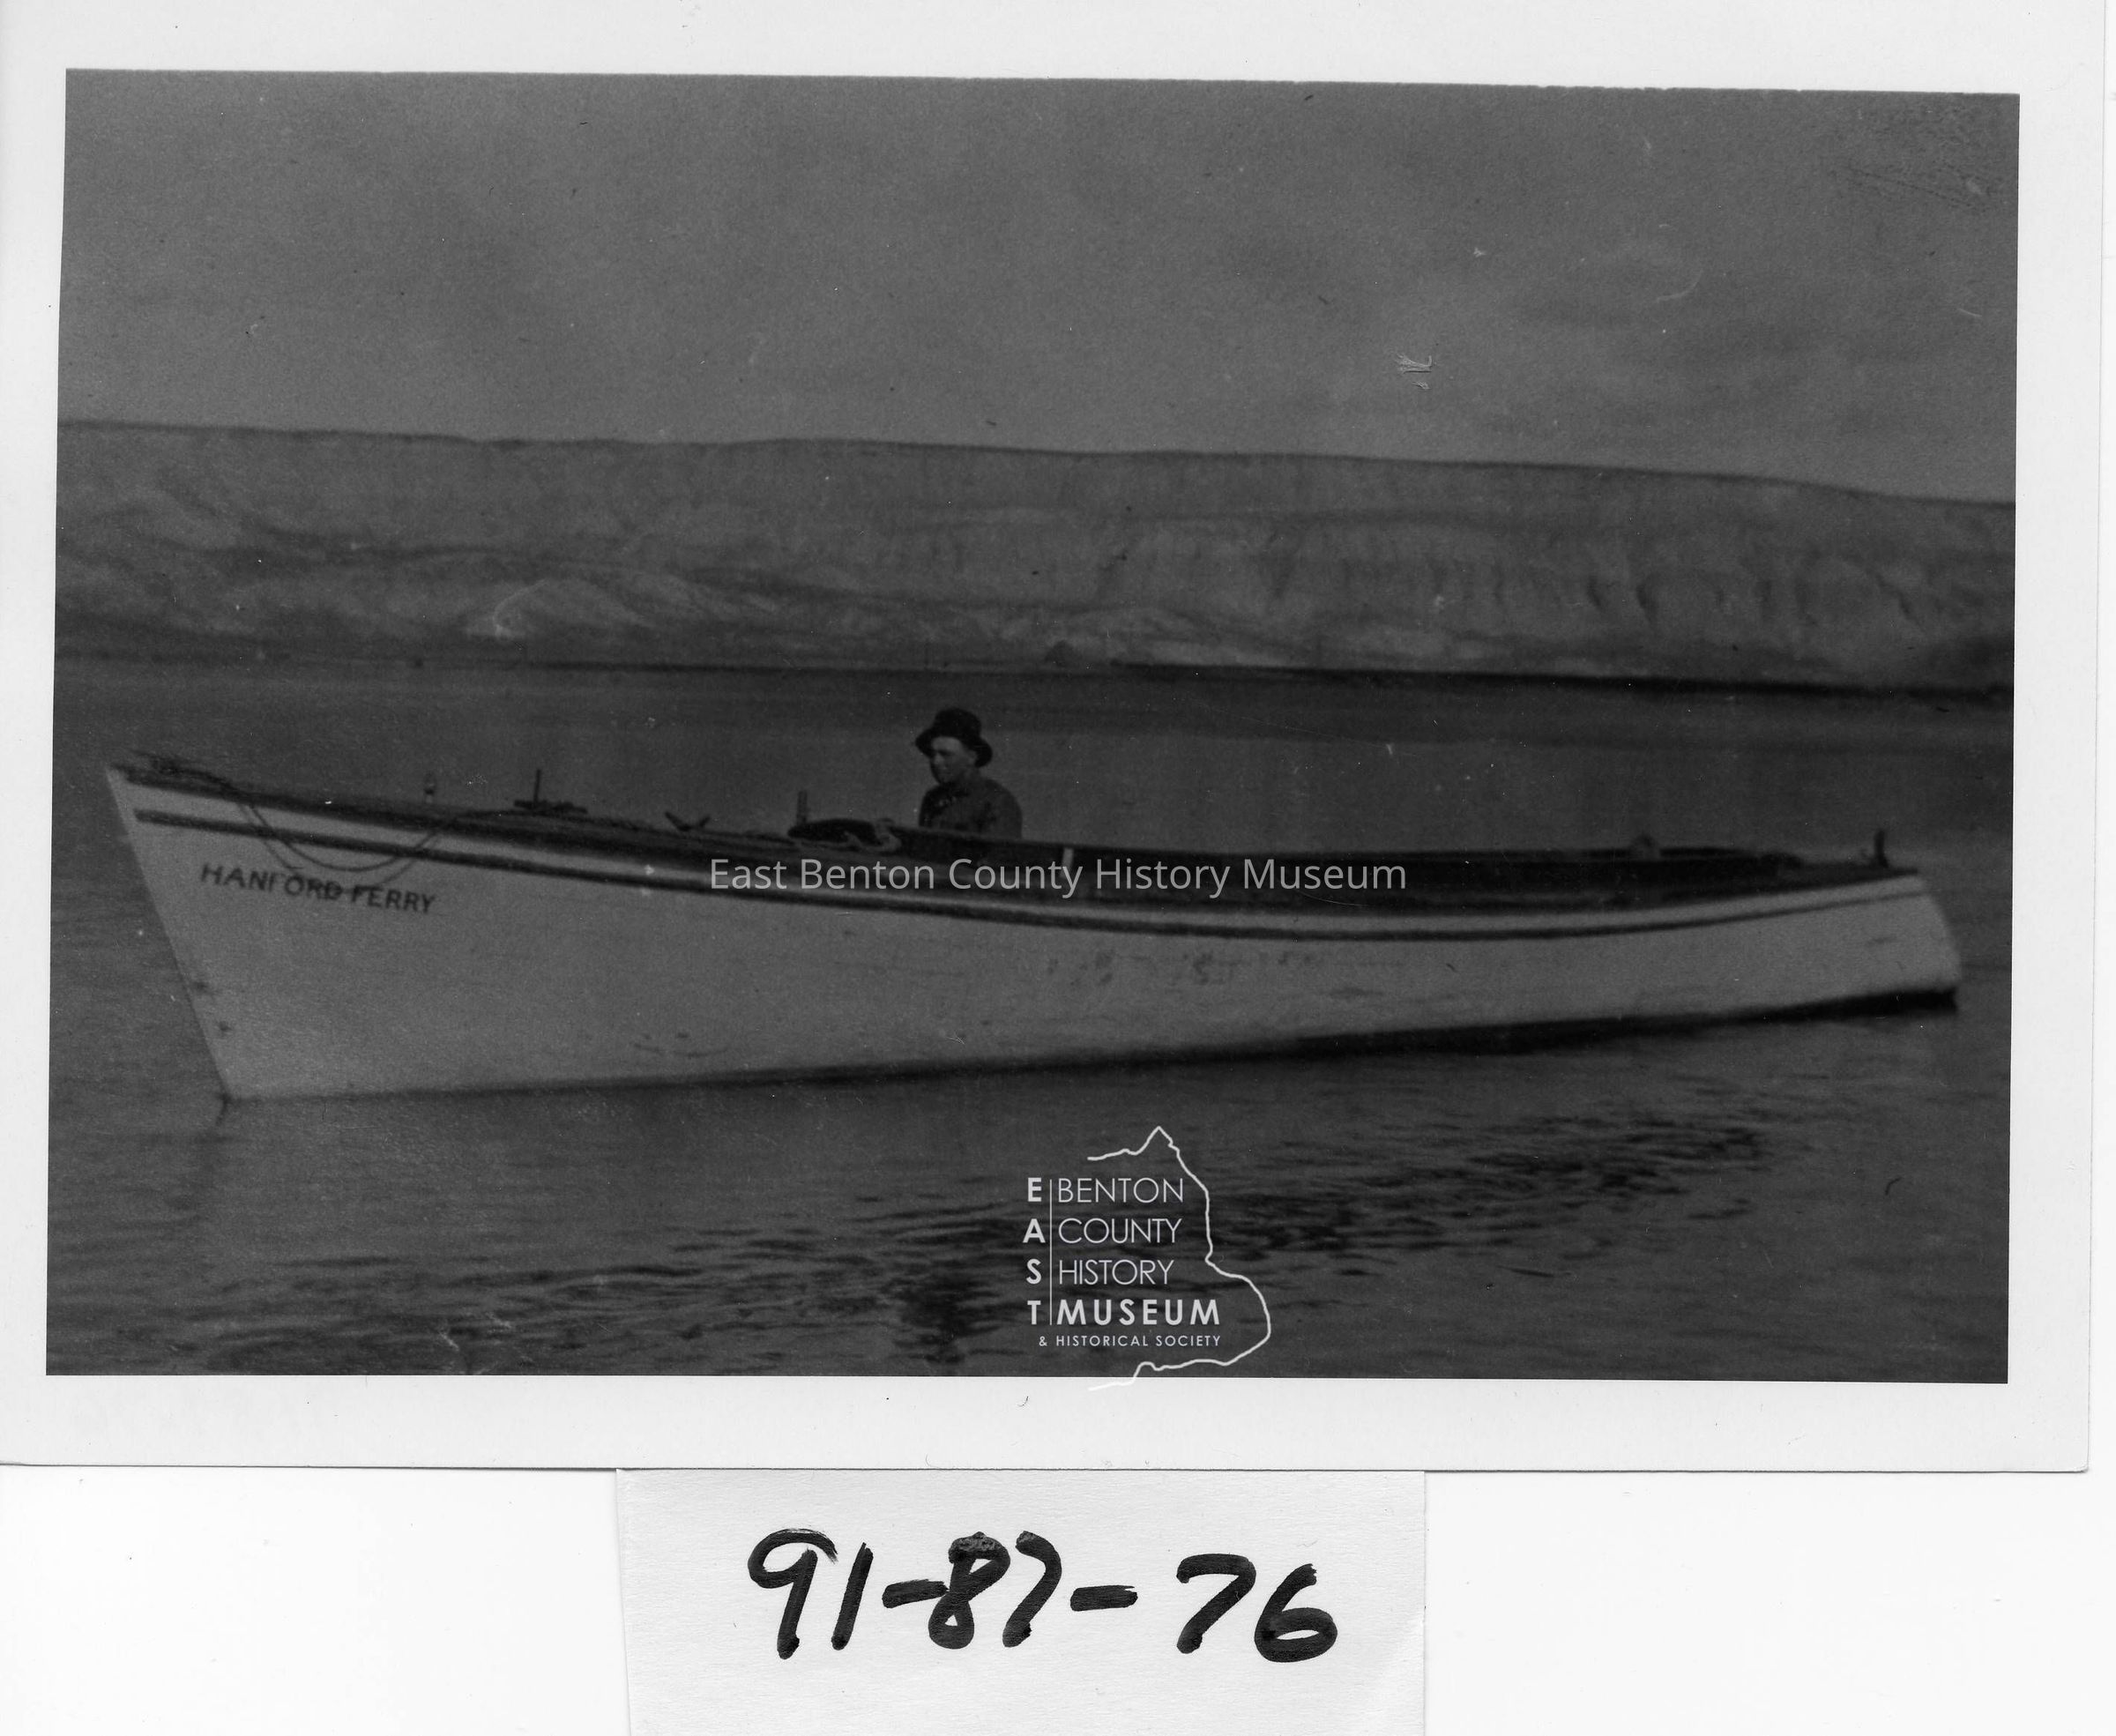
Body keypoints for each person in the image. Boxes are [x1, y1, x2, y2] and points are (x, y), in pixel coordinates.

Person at [913, 707, 1023, 838]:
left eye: (945, 754)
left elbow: (999, 850)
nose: (936, 762)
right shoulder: (933, 798)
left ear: (971, 757)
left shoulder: (998, 802)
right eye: (932, 754)